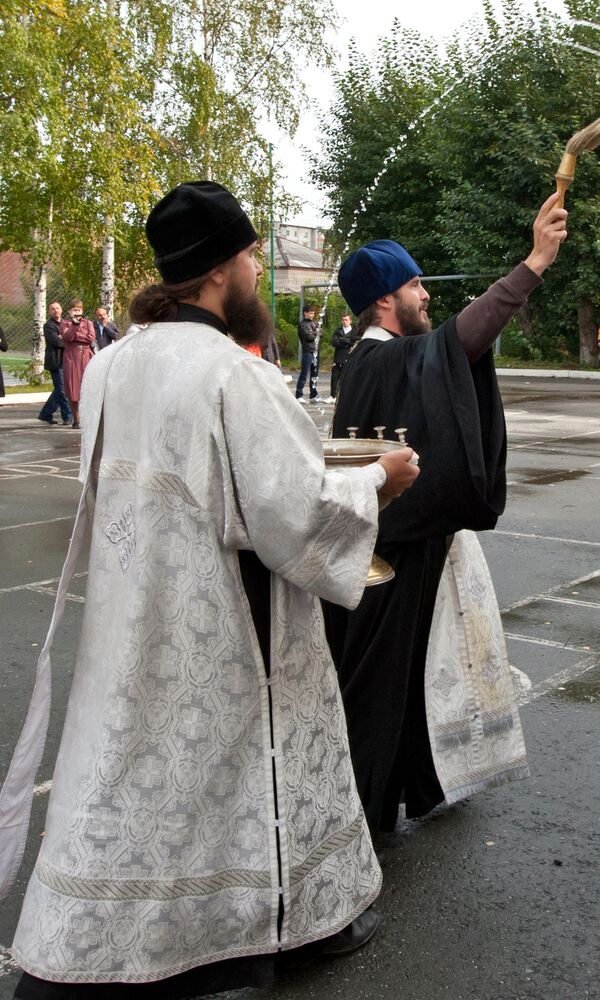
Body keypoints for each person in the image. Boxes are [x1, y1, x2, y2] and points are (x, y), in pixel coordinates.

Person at [0, 179, 419, 998]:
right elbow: (291, 514)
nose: (259, 270)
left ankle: (121, 932)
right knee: (237, 766)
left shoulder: (111, 366)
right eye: (254, 255)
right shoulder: (238, 377)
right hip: (230, 628)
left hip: (129, 614)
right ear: (223, 270)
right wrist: (379, 479)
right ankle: (240, 941)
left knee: (135, 768)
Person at [322, 191, 567, 837]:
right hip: (389, 560)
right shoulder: (380, 359)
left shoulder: (373, 362)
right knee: (377, 694)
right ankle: (360, 832)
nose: (426, 295)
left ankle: (393, 797)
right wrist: (535, 262)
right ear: (383, 300)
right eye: (415, 284)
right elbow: (465, 338)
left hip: (396, 553)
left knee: (396, 688)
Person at [59, 300, 96, 429]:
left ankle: (89, 418)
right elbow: (67, 337)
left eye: (79, 310)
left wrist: (76, 335)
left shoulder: (88, 323)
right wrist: (75, 328)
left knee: (87, 386)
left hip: (86, 356)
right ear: (69, 311)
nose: (77, 312)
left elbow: (90, 338)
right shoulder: (65, 323)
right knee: (72, 387)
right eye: (74, 310)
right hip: (71, 357)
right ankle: (76, 419)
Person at [37, 301, 72, 426]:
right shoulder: (48, 326)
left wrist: (65, 337)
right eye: (53, 309)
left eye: (58, 308)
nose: (56, 310)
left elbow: (73, 337)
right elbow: (56, 342)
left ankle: (45, 414)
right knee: (62, 390)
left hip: (67, 360)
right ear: (49, 312)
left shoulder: (67, 323)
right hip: (56, 361)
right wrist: (67, 339)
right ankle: (68, 417)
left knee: (60, 389)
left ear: (62, 310)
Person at [296, 303, 321, 400]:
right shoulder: (302, 325)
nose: (312, 315)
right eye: (310, 313)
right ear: (305, 313)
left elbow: (322, 333)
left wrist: (314, 332)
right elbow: (308, 337)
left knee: (314, 374)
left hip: (316, 352)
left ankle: (313, 394)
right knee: (304, 374)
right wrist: (316, 332)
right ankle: (299, 395)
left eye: (313, 313)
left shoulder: (315, 323)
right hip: (307, 352)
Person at [331, 312, 355, 401]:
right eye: (343, 320)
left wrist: (342, 339)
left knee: (346, 377)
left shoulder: (354, 331)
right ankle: (332, 395)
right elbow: (334, 342)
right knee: (335, 376)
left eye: (346, 320)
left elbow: (353, 342)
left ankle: (344, 396)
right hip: (338, 356)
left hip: (349, 357)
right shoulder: (338, 331)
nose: (344, 322)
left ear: (350, 321)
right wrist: (346, 342)